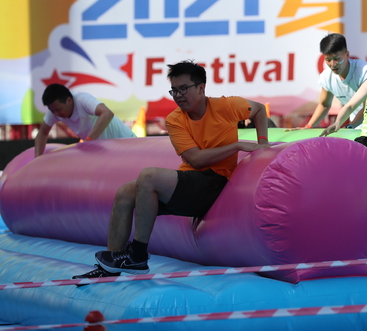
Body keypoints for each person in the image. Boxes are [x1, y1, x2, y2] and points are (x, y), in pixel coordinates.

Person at [73, 60, 270, 279]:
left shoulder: (227, 106)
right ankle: (110, 267)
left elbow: (259, 109)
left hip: (217, 181)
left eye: (183, 89)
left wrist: (263, 142)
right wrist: (237, 145)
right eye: (174, 90)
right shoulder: (175, 119)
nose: (178, 95)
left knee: (148, 176)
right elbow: (195, 159)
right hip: (193, 180)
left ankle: (137, 255)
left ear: (201, 88)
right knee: (125, 193)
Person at [296, 34, 367, 129]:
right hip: (355, 127)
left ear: (347, 54)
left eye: (337, 59)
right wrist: (308, 126)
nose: (333, 64)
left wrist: (349, 127)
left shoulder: (363, 71)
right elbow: (324, 105)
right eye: (328, 60)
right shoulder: (327, 77)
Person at [35, 84, 135, 157]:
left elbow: (107, 113)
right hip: (105, 150)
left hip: (128, 144)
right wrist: (37, 159)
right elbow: (42, 133)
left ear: (69, 101)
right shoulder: (54, 111)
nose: (56, 114)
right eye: (52, 111)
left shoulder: (82, 100)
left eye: (58, 110)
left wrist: (88, 140)